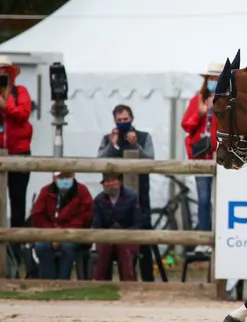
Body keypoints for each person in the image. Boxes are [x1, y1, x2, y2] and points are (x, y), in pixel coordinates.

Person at [97, 104, 155, 281]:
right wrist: (112, 145)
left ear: (132, 119)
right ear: (115, 121)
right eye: (119, 120)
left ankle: (147, 279)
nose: (123, 123)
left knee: (144, 236)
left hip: (140, 194)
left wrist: (135, 144)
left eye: (126, 119)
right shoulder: (108, 139)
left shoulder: (144, 137)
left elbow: (150, 160)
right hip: (114, 196)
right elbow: (99, 161)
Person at [0, 56, 34, 274]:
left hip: (19, 152)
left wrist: (6, 104)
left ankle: (17, 248)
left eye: (5, 74)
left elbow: (23, 115)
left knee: (18, 201)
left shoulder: (20, 92)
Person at [30, 171, 93, 279]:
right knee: (41, 246)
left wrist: (63, 232)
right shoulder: (46, 191)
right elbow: (37, 215)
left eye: (67, 176)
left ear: (73, 176)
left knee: (67, 247)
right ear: (54, 177)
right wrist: (53, 233)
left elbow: (85, 217)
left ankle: (63, 281)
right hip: (49, 233)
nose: (64, 180)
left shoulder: (82, 191)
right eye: (61, 177)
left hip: (73, 234)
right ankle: (48, 281)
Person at [181, 63, 220, 234]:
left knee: (222, 198)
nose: (213, 81)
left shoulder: (229, 102)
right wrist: (200, 113)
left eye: (217, 78)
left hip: (222, 157)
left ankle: (221, 235)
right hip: (202, 156)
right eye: (211, 78)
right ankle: (203, 237)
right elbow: (186, 126)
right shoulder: (196, 100)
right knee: (203, 199)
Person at [92, 173, 142, 281]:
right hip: (106, 238)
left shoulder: (132, 197)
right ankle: (99, 284)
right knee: (104, 247)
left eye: (113, 181)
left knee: (123, 246)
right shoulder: (98, 200)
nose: (110, 184)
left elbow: (138, 223)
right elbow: (96, 225)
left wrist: (124, 233)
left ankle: (128, 283)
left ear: (120, 182)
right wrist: (108, 234)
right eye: (107, 182)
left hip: (128, 237)